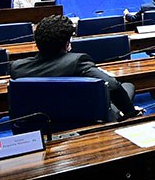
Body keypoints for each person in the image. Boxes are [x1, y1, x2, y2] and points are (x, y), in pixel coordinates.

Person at [10, 15, 139, 119]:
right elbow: (114, 86)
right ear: (67, 44)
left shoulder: (17, 68)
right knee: (127, 86)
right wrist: (131, 113)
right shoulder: (76, 61)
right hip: (82, 121)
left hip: (38, 126)